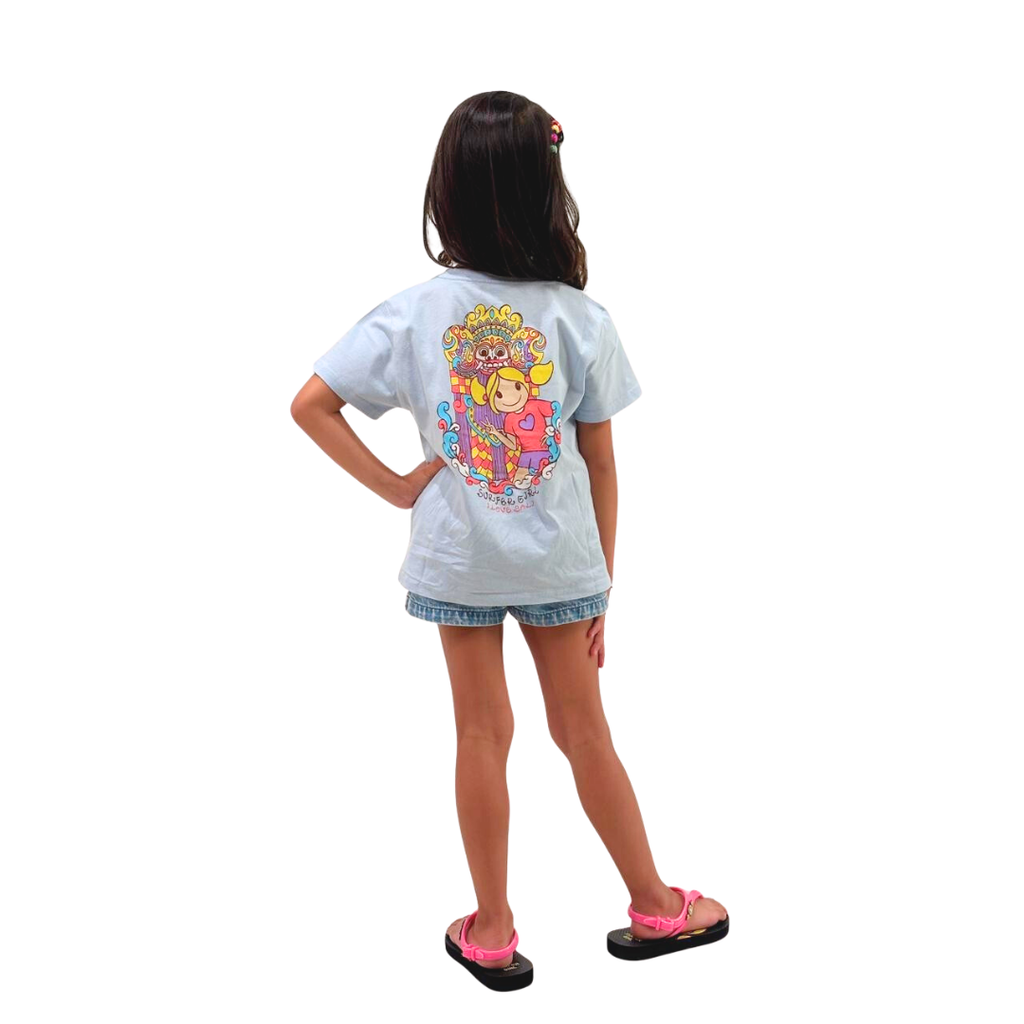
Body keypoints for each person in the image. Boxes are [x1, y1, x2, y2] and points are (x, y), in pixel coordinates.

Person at [290, 91, 728, 991]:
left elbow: (311, 405)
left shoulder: (414, 312)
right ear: (547, 189)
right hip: (560, 558)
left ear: (446, 190)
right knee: (585, 733)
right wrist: (603, 583)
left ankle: (490, 930)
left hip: (460, 560)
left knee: (481, 734)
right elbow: (601, 462)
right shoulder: (579, 317)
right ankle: (654, 904)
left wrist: (399, 488)